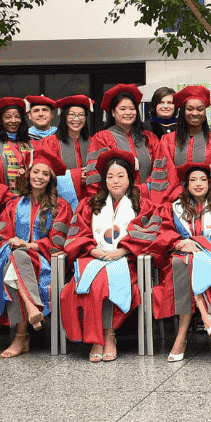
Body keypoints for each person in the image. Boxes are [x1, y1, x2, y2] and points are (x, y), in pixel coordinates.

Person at [0, 147, 75, 358]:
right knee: (16, 257)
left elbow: (59, 241)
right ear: (28, 174)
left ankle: (21, 337)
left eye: (45, 174)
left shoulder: (60, 207)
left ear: (50, 179)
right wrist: (13, 242)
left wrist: (29, 246)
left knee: (17, 258)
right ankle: (32, 308)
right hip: (12, 257)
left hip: (44, 262)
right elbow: (0, 236)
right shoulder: (13, 205)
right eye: (36, 172)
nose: (39, 177)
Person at [60, 148, 155, 362]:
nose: (115, 181)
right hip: (93, 258)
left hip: (128, 261)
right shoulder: (90, 204)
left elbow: (153, 233)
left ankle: (106, 337)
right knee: (85, 286)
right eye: (110, 177)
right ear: (104, 180)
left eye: (121, 176)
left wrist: (122, 251)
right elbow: (77, 234)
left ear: (130, 178)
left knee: (104, 283)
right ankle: (99, 338)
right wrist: (93, 250)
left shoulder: (142, 205)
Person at [149, 161, 211, 362]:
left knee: (188, 264)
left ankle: (182, 336)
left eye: (203, 179)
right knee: (184, 263)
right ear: (186, 184)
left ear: (210, 183)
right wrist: (178, 242)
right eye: (193, 180)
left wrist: (198, 242)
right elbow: (161, 233)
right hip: (181, 259)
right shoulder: (174, 207)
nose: (198, 184)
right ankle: (205, 316)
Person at [147, 85, 211, 206]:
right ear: (183, 112)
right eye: (190, 109)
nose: (195, 113)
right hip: (176, 202)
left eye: (200, 109)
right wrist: (179, 197)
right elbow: (166, 175)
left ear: (205, 112)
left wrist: (210, 200)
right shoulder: (167, 141)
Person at [83, 84, 161, 201]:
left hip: (147, 199)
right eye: (123, 109)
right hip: (114, 200)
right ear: (113, 112)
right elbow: (96, 174)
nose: (128, 112)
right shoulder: (101, 138)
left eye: (132, 108)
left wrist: (145, 188)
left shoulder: (149, 137)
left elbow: (159, 167)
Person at [37, 94, 93, 208]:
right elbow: (43, 174)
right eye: (71, 114)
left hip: (89, 202)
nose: (76, 119)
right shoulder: (49, 142)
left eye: (81, 115)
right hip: (59, 204)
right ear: (64, 117)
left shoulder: (93, 142)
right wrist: (76, 176)